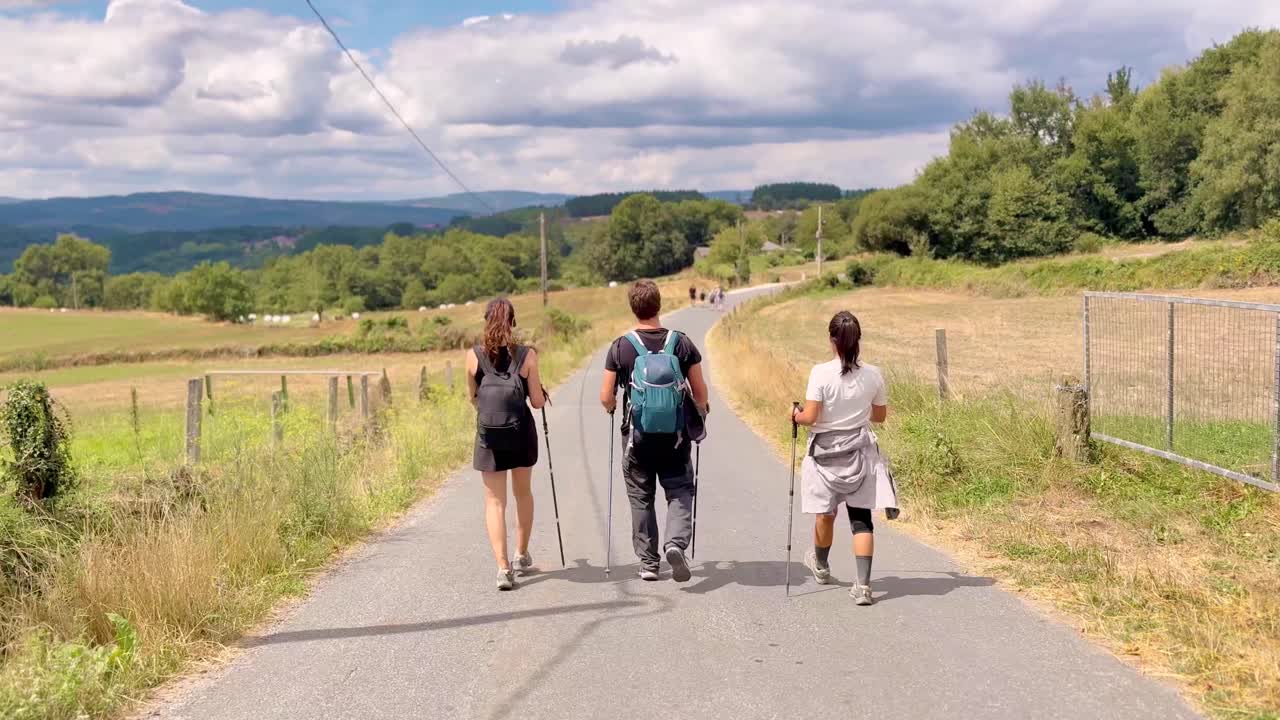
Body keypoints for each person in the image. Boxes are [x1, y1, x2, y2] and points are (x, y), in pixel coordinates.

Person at [601, 280, 710, 582]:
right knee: (680, 489)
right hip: (675, 437)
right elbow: (700, 392)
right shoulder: (682, 343)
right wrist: (701, 409)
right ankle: (675, 543)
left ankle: (649, 563)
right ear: (659, 305)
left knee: (640, 496)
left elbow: (605, 396)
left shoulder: (621, 346)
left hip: (637, 439)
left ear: (633, 308)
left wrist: (612, 407)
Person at [790, 311, 898, 606]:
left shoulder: (820, 373)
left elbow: (811, 417)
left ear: (832, 340)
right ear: (858, 340)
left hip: (825, 454)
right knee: (861, 520)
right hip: (860, 452)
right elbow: (880, 416)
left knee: (825, 514)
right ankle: (863, 586)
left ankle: (821, 566)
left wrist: (795, 415)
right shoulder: (873, 374)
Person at [467, 298, 547, 591]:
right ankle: (521, 554)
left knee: (494, 501)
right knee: (523, 493)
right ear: (512, 322)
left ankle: (503, 568)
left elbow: (473, 398)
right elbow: (537, 402)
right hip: (520, 432)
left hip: (489, 435)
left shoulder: (473, 356)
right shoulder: (527, 355)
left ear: (486, 320)